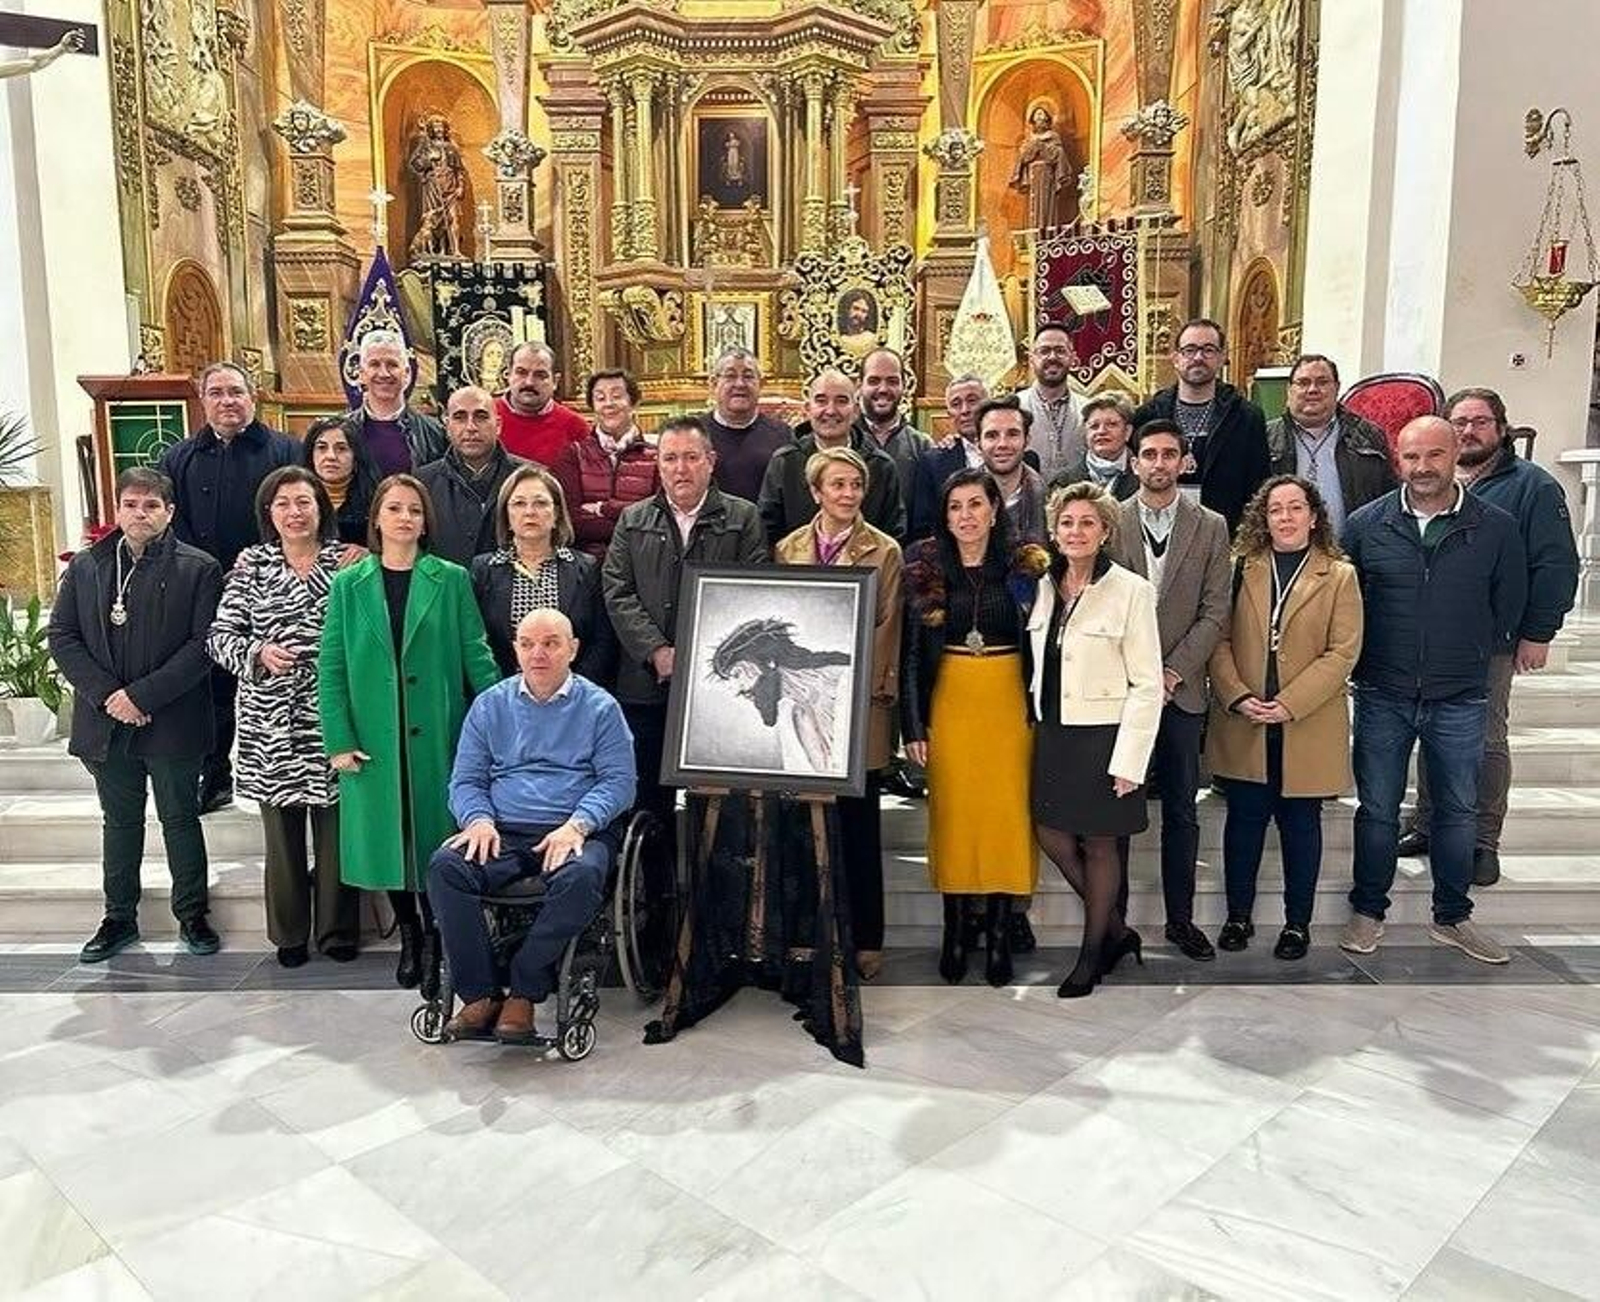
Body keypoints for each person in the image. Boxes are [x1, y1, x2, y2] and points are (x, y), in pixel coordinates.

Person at [1339, 416, 1527, 965]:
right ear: (1398, 460)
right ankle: (1367, 910)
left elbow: (1508, 603)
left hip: (1460, 693)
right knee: (1376, 809)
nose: (1423, 469)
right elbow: (1350, 604)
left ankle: (1452, 916)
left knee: (1458, 810)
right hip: (1382, 691)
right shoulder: (1366, 524)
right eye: (1412, 457)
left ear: (1454, 457)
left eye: (1434, 456)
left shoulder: (1494, 526)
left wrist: (1466, 651)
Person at [318, 473, 500, 988]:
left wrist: (500, 718)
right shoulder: (347, 585)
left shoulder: (450, 578)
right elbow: (331, 665)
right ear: (376, 518)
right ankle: (412, 936)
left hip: (439, 735)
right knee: (385, 845)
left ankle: (439, 932)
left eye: (414, 511)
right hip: (373, 739)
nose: (404, 518)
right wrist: (339, 739)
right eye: (394, 509)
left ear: (425, 522)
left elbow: (475, 653)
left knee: (435, 840)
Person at [427, 610, 636, 1043]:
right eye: (527, 644)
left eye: (551, 643)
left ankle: (524, 988)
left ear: (573, 649)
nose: (538, 653)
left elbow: (619, 782)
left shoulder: (600, 707)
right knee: (446, 868)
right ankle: (480, 993)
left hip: (574, 828)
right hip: (501, 829)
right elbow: (466, 779)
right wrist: (478, 819)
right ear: (515, 650)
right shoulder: (490, 705)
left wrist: (578, 825)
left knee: (581, 877)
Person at [1400, 387, 1579, 885]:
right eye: (1458, 422)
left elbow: (1556, 564)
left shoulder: (1531, 487)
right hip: (1429, 638)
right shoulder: (1429, 482)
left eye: (1480, 422)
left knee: (1485, 737)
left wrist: (1539, 632)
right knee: (1430, 730)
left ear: (1501, 428)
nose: (1468, 430)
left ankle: (1482, 839)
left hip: (1492, 639)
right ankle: (1428, 821)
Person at [48, 468, 224, 962]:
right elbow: (62, 636)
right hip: (106, 721)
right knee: (120, 822)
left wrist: (142, 697)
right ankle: (118, 917)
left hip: (171, 719)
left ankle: (192, 914)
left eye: (152, 505)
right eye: (131, 504)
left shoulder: (199, 567)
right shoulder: (87, 566)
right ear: (117, 509)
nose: (140, 513)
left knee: (179, 818)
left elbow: (202, 646)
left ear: (170, 512)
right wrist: (110, 696)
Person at [206, 467, 360, 968]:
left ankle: (337, 930)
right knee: (283, 837)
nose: (295, 512)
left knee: (338, 833)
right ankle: (290, 932)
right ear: (269, 514)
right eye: (283, 504)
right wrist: (257, 652)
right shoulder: (251, 565)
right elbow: (219, 637)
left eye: (304, 502)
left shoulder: (349, 562)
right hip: (270, 719)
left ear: (322, 508)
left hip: (335, 713)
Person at [1206, 476, 1363, 960]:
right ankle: (1238, 915)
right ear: (1263, 518)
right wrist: (1236, 695)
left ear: (1314, 516)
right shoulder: (1239, 568)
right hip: (1246, 716)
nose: (1286, 518)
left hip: (1306, 720)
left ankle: (1298, 924)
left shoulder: (1338, 574)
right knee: (1245, 820)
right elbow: (1219, 637)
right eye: (1276, 510)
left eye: (1296, 508)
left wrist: (1291, 702)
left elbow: (1343, 652)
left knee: (1301, 824)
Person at [902, 469, 1048, 987]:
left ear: (994, 510)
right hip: (951, 700)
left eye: (975, 505)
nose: (966, 516)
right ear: (945, 517)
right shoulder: (924, 566)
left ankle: (1003, 933)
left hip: (1008, 700)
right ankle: (956, 931)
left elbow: (1043, 640)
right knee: (956, 816)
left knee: (1008, 814)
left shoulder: (1024, 564)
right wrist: (913, 723)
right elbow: (912, 652)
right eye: (955, 507)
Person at [602, 416, 767, 846]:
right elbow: (617, 591)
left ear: (711, 462)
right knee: (647, 809)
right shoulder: (633, 519)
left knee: (719, 813)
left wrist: (702, 660)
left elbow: (751, 594)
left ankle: (713, 906)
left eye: (691, 457)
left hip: (720, 693)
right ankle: (653, 905)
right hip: (645, 687)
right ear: (658, 465)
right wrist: (656, 651)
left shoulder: (742, 518)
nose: (681, 469)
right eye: (670, 458)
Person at [1028, 482, 1163, 997]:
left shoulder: (1131, 589)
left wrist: (1131, 759)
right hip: (1056, 731)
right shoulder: (1043, 584)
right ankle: (1116, 930)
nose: (1076, 531)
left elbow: (1148, 683)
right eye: (1067, 522)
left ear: (1105, 530)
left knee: (1102, 844)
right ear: (1054, 531)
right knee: (1051, 833)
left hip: (1106, 737)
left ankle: (1090, 956)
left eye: (1087, 522)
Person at [775, 447, 904, 979]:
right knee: (805, 824)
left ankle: (866, 937)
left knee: (858, 826)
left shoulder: (885, 551)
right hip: (803, 706)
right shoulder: (788, 549)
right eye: (837, 485)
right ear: (816, 492)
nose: (848, 494)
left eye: (855, 485)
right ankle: (809, 933)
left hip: (858, 706)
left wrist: (848, 690)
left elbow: (887, 628)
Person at [1109, 418, 1232, 961]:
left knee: (1182, 808)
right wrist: (1139, 674)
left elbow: (1215, 610)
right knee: (1118, 811)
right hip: (1121, 691)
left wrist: (1174, 671)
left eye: (1169, 455)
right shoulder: (1110, 521)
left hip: (1181, 693)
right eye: (1149, 455)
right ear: (1133, 462)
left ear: (1184, 462)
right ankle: (1113, 924)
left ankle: (1180, 920)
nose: (1159, 464)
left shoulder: (1211, 526)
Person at [158, 361, 299, 814]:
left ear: (252, 397)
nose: (227, 401)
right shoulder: (180, 457)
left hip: (270, 587)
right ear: (203, 401)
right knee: (211, 684)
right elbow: (168, 523)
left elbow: (301, 511)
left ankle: (281, 775)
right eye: (216, 393)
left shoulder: (283, 450)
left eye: (235, 392)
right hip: (200, 589)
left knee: (274, 681)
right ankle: (214, 774)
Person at [471, 464, 614, 685]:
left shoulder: (586, 568)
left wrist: (574, 690)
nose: (530, 512)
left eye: (540, 503)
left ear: (556, 513)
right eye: (519, 503)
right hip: (504, 698)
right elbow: (476, 644)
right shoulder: (483, 571)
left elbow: (602, 640)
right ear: (506, 515)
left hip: (573, 698)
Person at [1132, 317, 1270, 533]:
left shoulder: (1246, 417)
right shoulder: (1148, 415)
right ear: (1176, 358)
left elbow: (1258, 487)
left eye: (1208, 350)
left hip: (1225, 533)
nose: (1198, 357)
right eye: (1189, 350)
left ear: (1222, 357)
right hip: (1156, 530)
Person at [758, 368, 904, 546]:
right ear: (807, 409)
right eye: (821, 401)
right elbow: (767, 532)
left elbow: (894, 535)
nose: (830, 410)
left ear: (856, 410)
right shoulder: (785, 462)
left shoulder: (881, 466)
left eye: (841, 401)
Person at [1266, 354, 1395, 537]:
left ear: (1337, 388)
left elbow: (1389, 500)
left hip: (1353, 552)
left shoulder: (1369, 436)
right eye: (1303, 383)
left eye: (1322, 382)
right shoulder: (1266, 438)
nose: (1312, 389)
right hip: (1285, 553)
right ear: (1289, 390)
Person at [551, 368, 659, 559]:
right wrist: (634, 521)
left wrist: (603, 508)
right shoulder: (573, 455)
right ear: (593, 406)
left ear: (634, 403)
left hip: (643, 562)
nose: (609, 404)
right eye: (600, 398)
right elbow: (570, 521)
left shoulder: (657, 457)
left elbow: (658, 517)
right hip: (587, 564)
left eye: (617, 396)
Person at [416, 385, 526, 567]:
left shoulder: (530, 479)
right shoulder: (422, 483)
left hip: (512, 591)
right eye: (459, 418)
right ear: (447, 426)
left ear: (498, 425)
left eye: (481, 417)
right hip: (446, 590)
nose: (471, 427)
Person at [341, 330, 447, 474]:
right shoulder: (340, 432)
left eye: (392, 364)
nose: (384, 373)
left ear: (407, 373)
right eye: (374, 364)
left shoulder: (435, 433)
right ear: (361, 374)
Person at [703, 347, 792, 502]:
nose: (740, 384)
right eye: (730, 376)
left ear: (761, 384)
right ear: (713, 383)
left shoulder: (783, 435)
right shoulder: (694, 433)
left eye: (748, 376)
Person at [908, 373, 988, 539]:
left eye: (972, 401)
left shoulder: (1010, 454)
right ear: (949, 413)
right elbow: (923, 527)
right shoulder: (932, 462)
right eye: (956, 404)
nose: (965, 410)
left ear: (988, 404)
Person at [856, 348, 931, 513]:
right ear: (859, 385)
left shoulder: (922, 446)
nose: (883, 389)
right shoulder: (845, 440)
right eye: (874, 381)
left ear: (904, 385)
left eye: (892, 381)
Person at [495, 341, 589, 466]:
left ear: (555, 381)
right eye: (521, 372)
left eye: (540, 375)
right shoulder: (484, 415)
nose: (529, 382)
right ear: (508, 375)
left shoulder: (576, 428)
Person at [1017, 324, 1085, 483]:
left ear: (1073, 358)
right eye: (1044, 351)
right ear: (1031, 359)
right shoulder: (1014, 409)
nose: (1052, 357)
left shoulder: (1088, 410)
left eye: (1060, 350)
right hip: (1028, 502)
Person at [976, 396, 1047, 544]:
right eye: (992, 435)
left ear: (1027, 440)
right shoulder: (958, 498)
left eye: (1012, 434)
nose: (1002, 444)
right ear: (978, 444)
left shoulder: (1049, 500)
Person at [302, 415, 380, 546]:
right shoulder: (294, 497)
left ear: (356, 455)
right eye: (322, 448)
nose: (331, 456)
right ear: (311, 454)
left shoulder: (376, 499)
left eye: (341, 448)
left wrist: (369, 554)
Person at [1053, 393, 1140, 499]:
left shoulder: (1143, 477)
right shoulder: (1064, 483)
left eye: (1111, 424)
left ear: (1127, 432)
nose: (1101, 431)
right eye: (1094, 426)